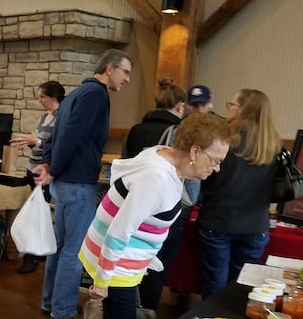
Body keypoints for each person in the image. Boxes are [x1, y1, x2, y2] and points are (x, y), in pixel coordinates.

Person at [82, 113, 235, 319]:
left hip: (119, 262)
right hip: (114, 268)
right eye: (215, 160)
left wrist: (148, 255)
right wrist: (102, 281)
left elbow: (144, 217)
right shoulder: (157, 177)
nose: (216, 168)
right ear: (195, 151)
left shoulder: (162, 154)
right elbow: (119, 231)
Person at [33, 48, 132, 319]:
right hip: (76, 183)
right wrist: (52, 168)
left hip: (65, 182)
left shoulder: (76, 93)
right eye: (125, 72)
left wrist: (49, 164)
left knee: (60, 246)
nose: (127, 79)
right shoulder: (95, 95)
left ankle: (50, 302)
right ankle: (63, 310)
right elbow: (70, 136)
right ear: (110, 69)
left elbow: (55, 136)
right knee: (74, 252)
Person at [197, 88, 282, 299]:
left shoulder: (223, 139)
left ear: (242, 109)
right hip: (255, 225)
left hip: (217, 221)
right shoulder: (274, 145)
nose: (228, 110)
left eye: (231, 105)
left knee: (215, 284)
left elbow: (206, 179)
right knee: (241, 287)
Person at [122, 79, 189, 311]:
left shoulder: (135, 130)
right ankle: (146, 311)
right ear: (180, 106)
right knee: (157, 267)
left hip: (134, 204)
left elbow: (125, 164)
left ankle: (128, 307)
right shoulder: (180, 134)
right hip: (164, 211)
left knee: (130, 263)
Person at [9, 80, 65, 274]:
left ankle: (31, 255)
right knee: (32, 209)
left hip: (45, 172)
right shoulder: (43, 118)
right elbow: (40, 143)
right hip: (32, 167)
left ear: (52, 97)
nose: (39, 100)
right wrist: (30, 142)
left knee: (37, 213)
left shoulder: (62, 118)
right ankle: (34, 250)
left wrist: (37, 140)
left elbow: (56, 145)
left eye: (42, 96)